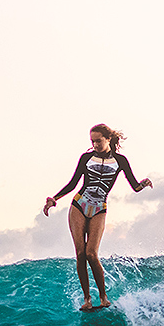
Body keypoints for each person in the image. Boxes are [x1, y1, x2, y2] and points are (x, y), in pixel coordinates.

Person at [43, 123, 152, 310]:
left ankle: (103, 297)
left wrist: (143, 183)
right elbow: (73, 183)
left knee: (91, 253)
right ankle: (87, 299)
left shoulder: (120, 161)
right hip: (79, 205)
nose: (95, 145)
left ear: (108, 139)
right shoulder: (86, 158)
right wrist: (55, 199)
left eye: (98, 141)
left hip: (99, 208)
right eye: (92, 141)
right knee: (80, 254)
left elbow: (134, 187)